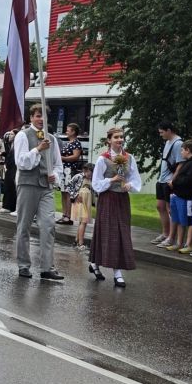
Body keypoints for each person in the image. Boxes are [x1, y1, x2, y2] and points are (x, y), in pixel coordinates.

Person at [13, 104, 65, 281]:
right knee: (24, 226)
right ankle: (23, 264)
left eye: (43, 116)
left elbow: (58, 164)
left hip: (46, 187)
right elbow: (21, 162)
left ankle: (47, 267)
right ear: (31, 118)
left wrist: (55, 176)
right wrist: (38, 149)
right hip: (28, 184)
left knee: (49, 225)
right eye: (37, 116)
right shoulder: (23, 135)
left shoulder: (52, 139)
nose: (41, 119)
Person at [88, 127, 141, 286]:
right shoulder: (102, 159)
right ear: (109, 140)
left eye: (121, 137)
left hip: (122, 200)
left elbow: (135, 179)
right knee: (107, 232)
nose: (120, 140)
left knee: (122, 233)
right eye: (116, 137)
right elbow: (96, 184)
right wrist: (112, 180)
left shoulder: (129, 157)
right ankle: (116, 273)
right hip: (108, 199)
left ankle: (96, 264)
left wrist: (129, 186)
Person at [167, 140, 192, 254]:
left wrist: (175, 182)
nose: (181, 153)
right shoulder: (188, 162)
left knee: (189, 220)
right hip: (178, 195)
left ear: (188, 150)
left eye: (182, 150)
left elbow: (189, 180)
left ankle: (188, 244)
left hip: (187, 197)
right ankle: (179, 243)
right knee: (179, 219)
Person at [154, 122, 184, 247]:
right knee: (160, 206)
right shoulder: (167, 142)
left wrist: (173, 180)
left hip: (169, 181)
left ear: (169, 130)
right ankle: (165, 233)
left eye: (162, 132)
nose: (161, 135)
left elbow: (180, 163)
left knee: (170, 209)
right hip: (162, 179)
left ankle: (171, 238)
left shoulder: (178, 143)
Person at [55, 123, 85, 223]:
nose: (66, 132)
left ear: (73, 132)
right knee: (63, 192)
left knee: (68, 193)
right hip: (64, 170)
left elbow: (75, 156)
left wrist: (62, 158)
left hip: (70, 170)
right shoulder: (68, 143)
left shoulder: (76, 143)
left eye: (68, 130)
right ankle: (64, 214)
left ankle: (68, 216)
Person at [72, 178, 94, 251]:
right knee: (83, 223)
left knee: (81, 223)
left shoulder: (85, 180)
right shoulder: (84, 183)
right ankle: (80, 243)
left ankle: (76, 240)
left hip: (82, 205)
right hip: (83, 205)